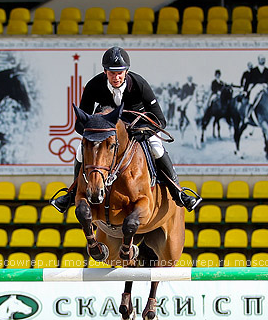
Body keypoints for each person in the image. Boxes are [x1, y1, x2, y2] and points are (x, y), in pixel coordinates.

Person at [51, 46, 202, 213]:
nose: (116, 77)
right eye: (111, 73)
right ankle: (72, 193)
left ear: (126, 71)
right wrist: (93, 132)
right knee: (81, 150)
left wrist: (143, 131)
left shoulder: (139, 84)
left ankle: (178, 192)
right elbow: (80, 123)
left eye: (119, 73)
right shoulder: (93, 86)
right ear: (105, 72)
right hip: (104, 130)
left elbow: (161, 120)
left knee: (156, 148)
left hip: (137, 127)